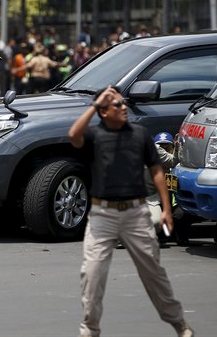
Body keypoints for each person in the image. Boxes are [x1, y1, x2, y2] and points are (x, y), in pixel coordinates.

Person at [68, 86, 194, 337]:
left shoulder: (139, 134)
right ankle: (89, 331)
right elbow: (73, 135)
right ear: (103, 112)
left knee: (153, 273)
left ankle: (179, 323)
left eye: (123, 103)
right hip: (102, 215)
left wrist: (167, 208)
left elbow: (157, 170)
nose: (124, 107)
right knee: (92, 275)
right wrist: (95, 104)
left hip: (136, 214)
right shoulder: (94, 135)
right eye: (117, 105)